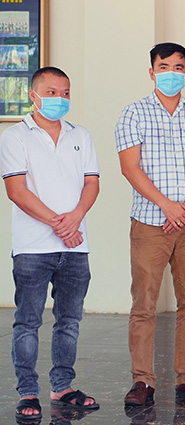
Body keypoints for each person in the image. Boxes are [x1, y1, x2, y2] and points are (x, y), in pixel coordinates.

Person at [115, 42, 185, 406]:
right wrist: (166, 206)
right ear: (151, 72)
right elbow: (130, 167)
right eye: (164, 67)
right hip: (150, 222)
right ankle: (142, 381)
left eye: (178, 68)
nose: (171, 74)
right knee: (144, 304)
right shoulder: (133, 114)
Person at [0, 66, 100, 422]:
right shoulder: (15, 136)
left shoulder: (80, 135)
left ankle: (62, 387)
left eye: (65, 93)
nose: (60, 99)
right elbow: (17, 191)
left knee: (69, 321)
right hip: (32, 246)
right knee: (28, 322)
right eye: (52, 92)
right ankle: (28, 391)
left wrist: (75, 220)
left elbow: (91, 184)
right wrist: (61, 224)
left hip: (75, 247)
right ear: (34, 95)